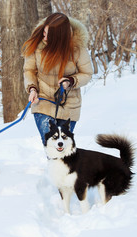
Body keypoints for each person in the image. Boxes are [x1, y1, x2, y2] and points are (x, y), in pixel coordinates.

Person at [22, 13, 93, 145]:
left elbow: (87, 74)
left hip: (69, 104)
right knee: (50, 143)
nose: (44, 36)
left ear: (60, 37)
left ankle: (64, 166)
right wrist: (32, 89)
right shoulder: (37, 44)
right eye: (44, 32)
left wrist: (70, 81)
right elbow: (29, 70)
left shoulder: (77, 48)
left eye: (48, 34)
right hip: (43, 100)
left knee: (64, 146)